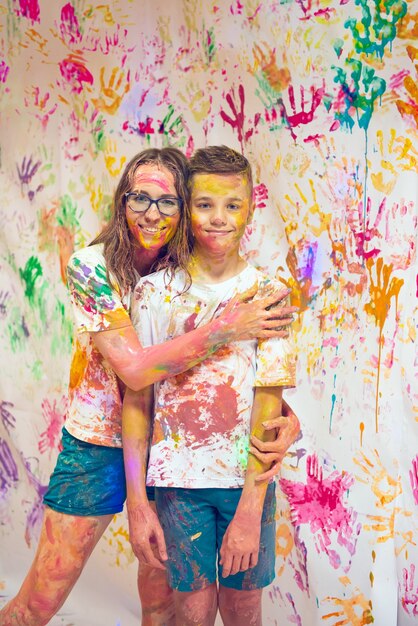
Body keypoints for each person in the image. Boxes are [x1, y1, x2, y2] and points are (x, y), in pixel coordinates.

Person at [0, 147, 299, 626]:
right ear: (122, 201)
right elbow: (136, 373)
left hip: (173, 456)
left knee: (164, 606)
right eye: (140, 198)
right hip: (98, 447)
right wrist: (226, 326)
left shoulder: (183, 267)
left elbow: (230, 379)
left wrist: (286, 417)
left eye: (168, 201)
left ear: (183, 208)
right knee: (40, 600)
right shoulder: (91, 266)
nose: (152, 213)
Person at [123, 145, 297, 626]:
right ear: (186, 206)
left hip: (245, 487)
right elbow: (137, 398)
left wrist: (249, 511)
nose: (219, 218)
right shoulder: (155, 294)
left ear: (250, 209)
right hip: (178, 488)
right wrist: (139, 503)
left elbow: (269, 406)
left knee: (243, 612)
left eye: (232, 205)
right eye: (204, 204)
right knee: (191, 614)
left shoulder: (270, 295)